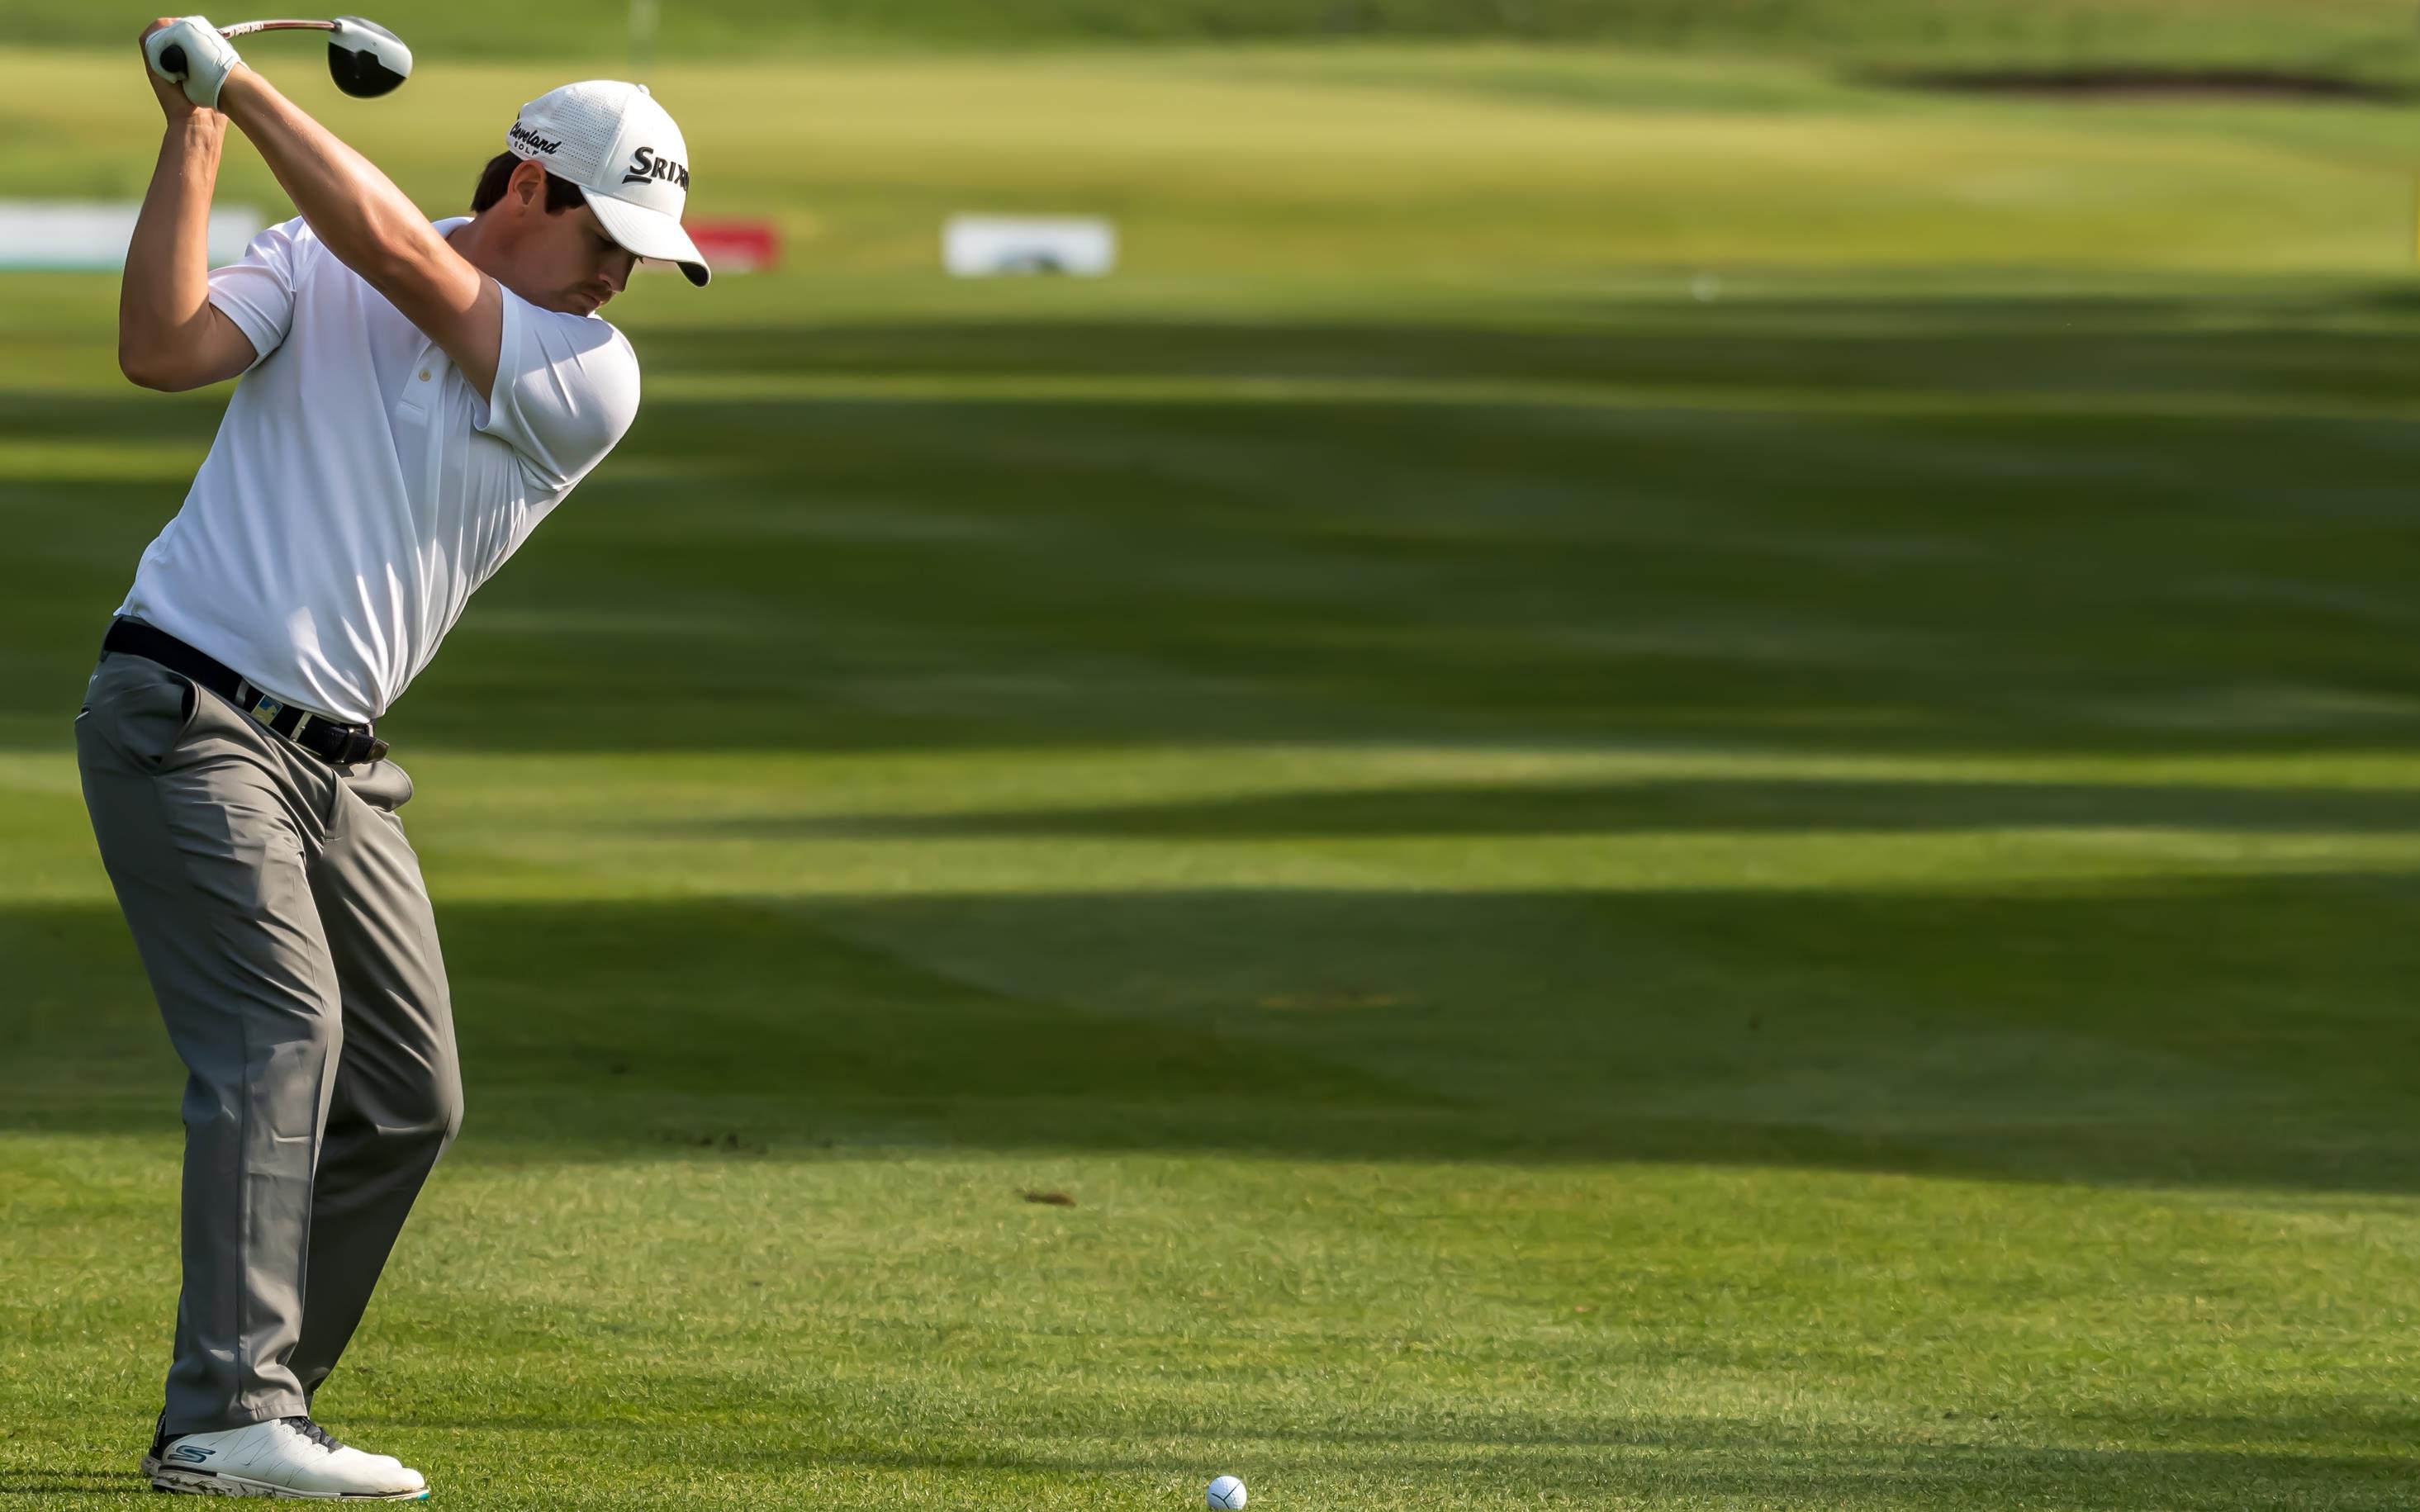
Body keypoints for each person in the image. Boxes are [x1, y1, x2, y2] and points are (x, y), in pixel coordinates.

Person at [83, 16, 709, 1499]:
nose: (626, 268)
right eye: (609, 229)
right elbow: (160, 351)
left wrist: (242, 82)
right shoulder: (315, 256)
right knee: (284, 1035)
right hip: (187, 712)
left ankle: (256, 1404)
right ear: (526, 186)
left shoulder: (587, 371)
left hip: (344, 765)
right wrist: (195, 131)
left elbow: (405, 264)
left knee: (409, 1098)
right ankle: (229, 1409)